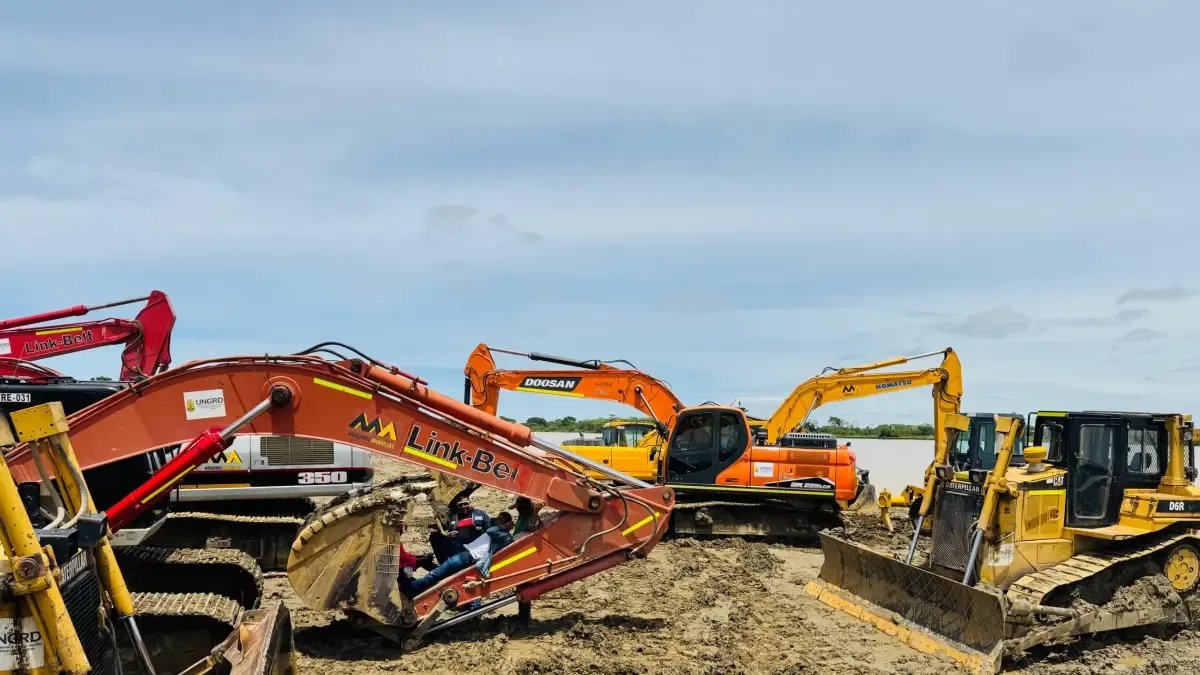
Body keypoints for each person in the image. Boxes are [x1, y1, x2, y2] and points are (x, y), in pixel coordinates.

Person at [401, 511, 515, 598]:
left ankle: (410, 589)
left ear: (508, 523)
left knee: (434, 575)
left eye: (500, 520)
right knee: (436, 537)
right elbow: (491, 522)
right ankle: (439, 569)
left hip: (467, 557)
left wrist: (503, 526)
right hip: (463, 549)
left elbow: (491, 531)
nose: (497, 522)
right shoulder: (498, 529)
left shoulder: (506, 536)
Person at [428, 486, 491, 564]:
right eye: (460, 505)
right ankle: (443, 564)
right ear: (457, 506)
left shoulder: (481, 514)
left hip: (476, 547)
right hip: (460, 548)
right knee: (434, 537)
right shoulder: (454, 518)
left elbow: (490, 530)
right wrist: (449, 535)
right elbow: (450, 533)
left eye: (465, 504)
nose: (463, 506)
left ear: (470, 503)